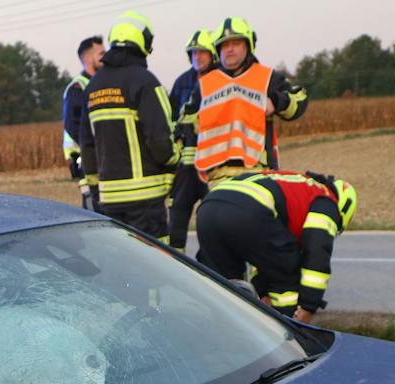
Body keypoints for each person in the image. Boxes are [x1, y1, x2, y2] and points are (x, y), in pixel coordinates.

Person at [196, 170, 358, 322]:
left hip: (209, 207)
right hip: (248, 208)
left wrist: (263, 292)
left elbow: (267, 254)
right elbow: (316, 254)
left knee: (224, 290)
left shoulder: (297, 184)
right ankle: (288, 334)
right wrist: (308, 307)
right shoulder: (326, 200)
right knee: (287, 276)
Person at [79, 11, 178, 241]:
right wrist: (174, 160)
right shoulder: (145, 81)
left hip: (110, 200)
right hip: (146, 198)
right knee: (154, 264)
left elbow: (86, 144)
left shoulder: (92, 87)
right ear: (144, 43)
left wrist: (95, 189)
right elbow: (159, 139)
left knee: (122, 264)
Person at [194, 17, 308, 183]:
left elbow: (300, 100)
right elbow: (188, 124)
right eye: (225, 45)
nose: (230, 49)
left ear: (248, 46)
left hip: (258, 174)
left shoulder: (267, 77)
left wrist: (276, 101)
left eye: (236, 43)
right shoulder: (203, 85)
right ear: (218, 50)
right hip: (217, 177)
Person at [166, 30, 215, 250]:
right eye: (194, 53)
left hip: (213, 164)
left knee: (215, 218)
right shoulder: (182, 82)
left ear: (213, 54)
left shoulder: (221, 80)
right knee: (176, 219)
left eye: (203, 53)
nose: (198, 57)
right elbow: (170, 117)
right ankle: (177, 268)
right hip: (186, 167)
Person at [63, 35, 106, 210]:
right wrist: (94, 145)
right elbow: (73, 125)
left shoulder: (101, 83)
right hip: (86, 160)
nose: (106, 56)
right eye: (101, 53)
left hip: (103, 159)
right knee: (94, 211)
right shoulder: (78, 88)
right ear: (88, 58)